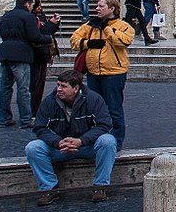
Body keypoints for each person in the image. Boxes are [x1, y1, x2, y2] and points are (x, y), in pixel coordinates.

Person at [25, 70, 117, 206]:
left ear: (76, 88)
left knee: (108, 141)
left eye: (63, 86)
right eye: (58, 85)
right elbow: (40, 127)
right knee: (33, 148)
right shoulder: (49, 102)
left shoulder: (94, 99)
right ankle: (49, 188)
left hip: (86, 146)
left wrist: (81, 141)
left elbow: (104, 125)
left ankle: (100, 186)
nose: (59, 89)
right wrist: (58, 142)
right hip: (60, 147)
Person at [70, 0, 134, 148]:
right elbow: (74, 39)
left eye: (101, 6)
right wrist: (87, 43)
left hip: (114, 73)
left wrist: (106, 28)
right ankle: (96, 137)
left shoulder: (123, 26)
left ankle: (116, 141)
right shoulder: (91, 25)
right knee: (94, 107)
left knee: (114, 108)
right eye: (97, 6)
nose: (97, 9)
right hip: (94, 72)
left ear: (111, 9)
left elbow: (123, 41)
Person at [0, 0, 50, 128]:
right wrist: (48, 39)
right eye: (32, 4)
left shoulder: (6, 16)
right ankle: (26, 119)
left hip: (5, 52)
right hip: (21, 54)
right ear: (27, 4)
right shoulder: (28, 17)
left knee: (5, 88)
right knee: (23, 88)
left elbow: (1, 33)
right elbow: (34, 37)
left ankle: (5, 117)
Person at [29, 0, 61, 118]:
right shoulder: (32, 17)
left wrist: (54, 23)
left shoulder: (38, 15)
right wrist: (51, 24)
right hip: (37, 53)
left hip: (42, 54)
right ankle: (32, 111)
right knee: (35, 84)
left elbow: (47, 30)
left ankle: (34, 109)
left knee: (38, 84)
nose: (39, 7)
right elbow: (43, 32)